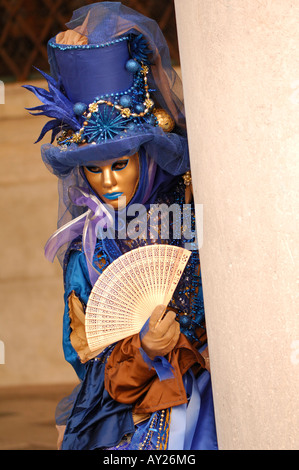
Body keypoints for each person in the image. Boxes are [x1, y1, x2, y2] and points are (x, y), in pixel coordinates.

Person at [25, 2, 218, 450]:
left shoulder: (190, 205)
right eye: (93, 169)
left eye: (120, 163)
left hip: (215, 398)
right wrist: (145, 350)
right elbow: (90, 362)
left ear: (147, 158)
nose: (107, 182)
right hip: (134, 417)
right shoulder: (89, 250)